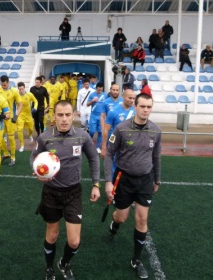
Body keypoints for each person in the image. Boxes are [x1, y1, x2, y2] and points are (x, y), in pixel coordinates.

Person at [30, 100, 100, 280]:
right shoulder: (44, 137)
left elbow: (93, 159)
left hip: (73, 193)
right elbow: (33, 158)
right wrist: (38, 172)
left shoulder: (82, 136)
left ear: (74, 115)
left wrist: (96, 184)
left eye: (68, 115)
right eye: (60, 115)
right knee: (52, 235)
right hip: (51, 193)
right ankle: (49, 268)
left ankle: (64, 263)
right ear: (54, 116)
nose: (64, 119)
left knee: (74, 241)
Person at [104, 93, 162, 279]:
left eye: (149, 107)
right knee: (122, 217)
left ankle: (136, 260)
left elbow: (156, 157)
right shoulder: (121, 129)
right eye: (142, 106)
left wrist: (157, 179)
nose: (146, 110)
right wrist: (108, 181)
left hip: (146, 180)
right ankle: (115, 224)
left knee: (142, 219)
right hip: (123, 179)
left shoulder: (156, 130)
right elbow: (108, 154)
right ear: (135, 107)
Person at [100, 88, 136, 159]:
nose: (132, 100)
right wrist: (104, 148)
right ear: (123, 97)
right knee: (114, 168)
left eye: (133, 98)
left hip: (130, 146)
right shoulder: (113, 112)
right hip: (116, 145)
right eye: (130, 98)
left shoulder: (135, 111)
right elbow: (106, 130)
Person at [0, 75, 23, 167]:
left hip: (11, 118)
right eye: (2, 85)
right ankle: (5, 153)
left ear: (8, 82)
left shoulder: (14, 91)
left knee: (11, 138)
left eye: (5, 85)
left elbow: (20, 104)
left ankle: (13, 157)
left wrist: (16, 115)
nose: (3, 86)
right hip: (1, 118)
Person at [16, 82, 37, 152]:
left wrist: (35, 107)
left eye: (22, 89)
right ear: (18, 89)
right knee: (19, 130)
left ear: (24, 88)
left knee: (31, 128)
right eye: (19, 89)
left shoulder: (29, 94)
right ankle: (22, 145)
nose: (21, 90)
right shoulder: (16, 96)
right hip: (20, 115)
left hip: (28, 115)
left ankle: (30, 135)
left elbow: (35, 101)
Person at [87, 82, 107, 152]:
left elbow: (107, 105)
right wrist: (92, 101)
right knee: (92, 131)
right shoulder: (92, 95)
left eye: (101, 90)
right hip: (93, 116)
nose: (99, 91)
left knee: (100, 132)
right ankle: (88, 144)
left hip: (102, 116)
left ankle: (98, 147)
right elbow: (87, 104)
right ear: (96, 88)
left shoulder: (105, 95)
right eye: (98, 90)